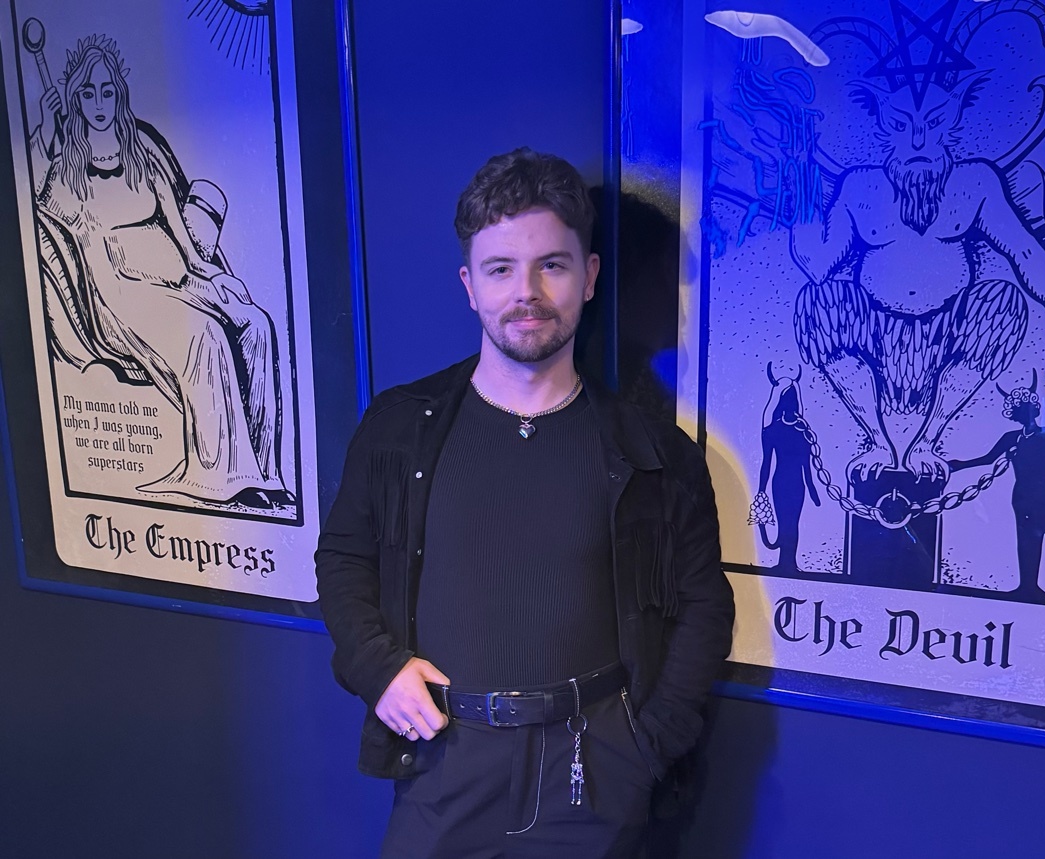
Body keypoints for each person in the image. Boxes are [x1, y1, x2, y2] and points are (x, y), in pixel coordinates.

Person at [315, 149, 734, 858]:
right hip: (445, 762)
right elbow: (343, 559)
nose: (527, 291)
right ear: (469, 285)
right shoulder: (398, 428)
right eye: (500, 268)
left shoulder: (657, 454)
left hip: (593, 775)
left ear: (589, 277)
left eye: (552, 265)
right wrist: (377, 667)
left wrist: (648, 746)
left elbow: (704, 607)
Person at [30, 34, 289, 508]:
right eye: (88, 93)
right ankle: (220, 477)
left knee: (256, 323)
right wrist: (45, 133)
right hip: (119, 293)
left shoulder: (141, 151)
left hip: (176, 276)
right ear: (76, 99)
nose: (99, 104)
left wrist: (213, 277)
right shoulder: (67, 169)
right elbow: (36, 218)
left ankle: (264, 472)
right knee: (205, 333)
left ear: (119, 93)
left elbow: (182, 237)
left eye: (107, 91)